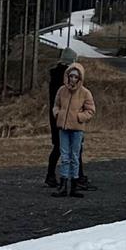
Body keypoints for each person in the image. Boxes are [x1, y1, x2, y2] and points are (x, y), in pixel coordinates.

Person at [51, 62, 95, 198]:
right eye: (71, 76)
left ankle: (74, 186)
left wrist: (79, 117)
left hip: (77, 129)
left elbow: (91, 110)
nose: (73, 79)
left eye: (76, 77)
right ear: (67, 76)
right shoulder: (61, 90)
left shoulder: (85, 93)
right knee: (64, 156)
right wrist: (58, 114)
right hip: (63, 128)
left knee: (75, 157)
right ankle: (63, 185)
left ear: (80, 78)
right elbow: (56, 105)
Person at [46, 48, 79, 188]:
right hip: (65, 115)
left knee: (59, 146)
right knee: (70, 147)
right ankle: (74, 177)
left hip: (56, 114)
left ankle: (51, 174)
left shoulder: (55, 75)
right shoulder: (65, 78)